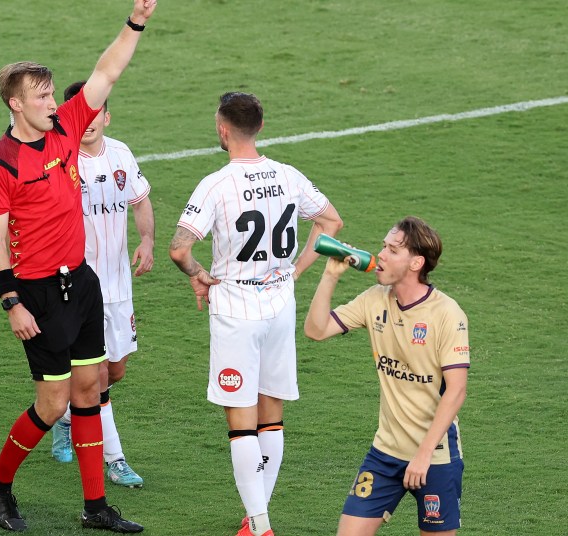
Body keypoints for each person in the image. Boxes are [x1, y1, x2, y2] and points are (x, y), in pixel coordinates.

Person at [0, 1, 156, 532]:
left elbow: (107, 71)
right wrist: (12, 304)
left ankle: (95, 506)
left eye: (53, 93)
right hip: (37, 295)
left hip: (82, 281)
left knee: (89, 388)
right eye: (42, 96)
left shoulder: (66, 126)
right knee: (52, 404)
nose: (53, 102)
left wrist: (136, 21)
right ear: (15, 103)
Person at [169, 92, 344, 536]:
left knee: (242, 421)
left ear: (223, 130)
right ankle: (256, 517)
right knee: (272, 414)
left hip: (236, 309)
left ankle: (260, 525)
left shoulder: (216, 184)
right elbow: (331, 223)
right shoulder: (288, 175)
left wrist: (199, 274)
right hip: (281, 305)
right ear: (259, 127)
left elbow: (180, 249)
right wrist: (296, 270)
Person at [303, 217, 469, 536]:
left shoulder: (447, 314)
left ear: (416, 263)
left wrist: (422, 455)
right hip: (384, 453)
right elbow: (315, 330)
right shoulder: (374, 299)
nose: (381, 254)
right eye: (383, 246)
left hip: (435, 457)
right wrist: (330, 275)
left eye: (393, 250)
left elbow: (456, 391)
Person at [49, 80, 154, 490]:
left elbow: (140, 200)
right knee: (96, 378)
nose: (89, 121)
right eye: (82, 114)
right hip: (78, 287)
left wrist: (147, 240)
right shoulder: (60, 160)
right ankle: (115, 460)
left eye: (96, 113)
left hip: (119, 286)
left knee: (115, 371)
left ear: (106, 116)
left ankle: (63, 416)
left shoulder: (121, 154)